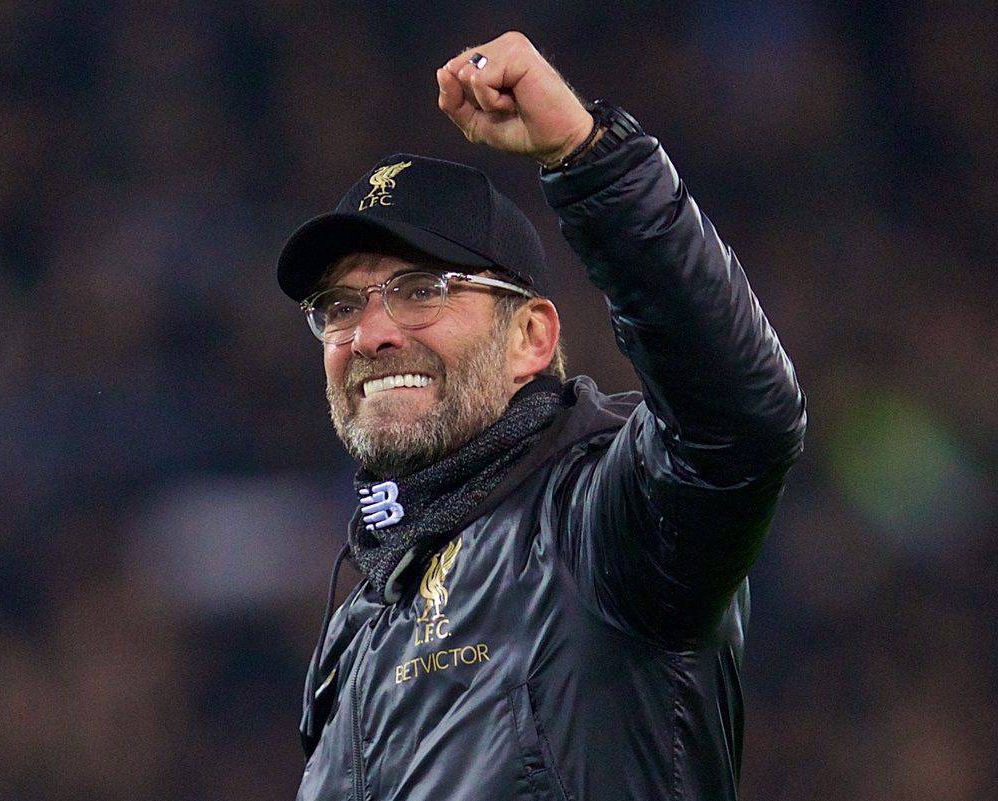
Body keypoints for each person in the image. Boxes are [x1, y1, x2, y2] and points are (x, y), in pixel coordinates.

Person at [275, 31, 806, 801]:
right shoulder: (360, 623)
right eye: (341, 306)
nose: (373, 333)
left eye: (423, 289)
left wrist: (588, 157)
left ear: (531, 337)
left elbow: (740, 420)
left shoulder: (603, 526)